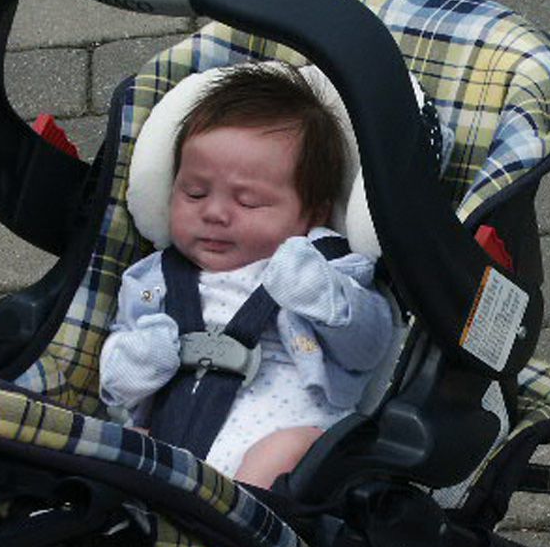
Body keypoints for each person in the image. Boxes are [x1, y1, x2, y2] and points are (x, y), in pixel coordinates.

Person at [99, 63, 393, 488]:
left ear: (313, 213)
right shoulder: (153, 278)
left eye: (248, 202)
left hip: (276, 437)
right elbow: (117, 383)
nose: (214, 213)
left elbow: (370, 347)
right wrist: (139, 358)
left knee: (292, 448)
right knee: (118, 443)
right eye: (195, 193)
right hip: (174, 439)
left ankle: (242, 520)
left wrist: (324, 297)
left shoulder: (323, 264)